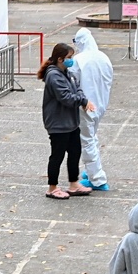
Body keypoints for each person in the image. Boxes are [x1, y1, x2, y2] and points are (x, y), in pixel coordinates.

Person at [38, 42, 92, 200]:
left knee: (75, 152)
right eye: (69, 57)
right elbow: (66, 98)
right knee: (57, 155)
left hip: (70, 122)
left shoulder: (67, 72)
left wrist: (82, 98)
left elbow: (77, 87)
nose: (72, 60)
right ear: (60, 59)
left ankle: (73, 183)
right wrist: (83, 101)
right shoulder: (54, 75)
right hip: (58, 123)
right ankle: (52, 187)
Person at [71, 29, 114, 191]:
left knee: (86, 141)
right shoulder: (104, 57)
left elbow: (73, 81)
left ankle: (97, 179)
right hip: (101, 105)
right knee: (92, 137)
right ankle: (91, 172)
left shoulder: (79, 60)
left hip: (85, 106)